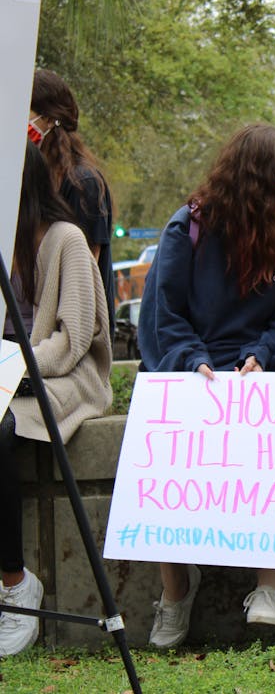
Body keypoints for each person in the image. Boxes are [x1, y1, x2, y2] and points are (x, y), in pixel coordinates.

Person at [138, 124, 275, 647]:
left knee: (270, 454)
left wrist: (264, 355)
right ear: (255, 176)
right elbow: (164, 313)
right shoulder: (189, 228)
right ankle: (175, 592)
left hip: (264, 366)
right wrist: (192, 359)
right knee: (167, 461)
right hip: (188, 365)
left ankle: (270, 586)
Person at [0, 142, 112, 656]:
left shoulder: (65, 238)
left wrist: (15, 366)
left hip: (67, 374)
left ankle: (15, 582)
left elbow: (74, 339)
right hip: (13, 373)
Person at [30, 69, 115, 335]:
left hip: (63, 337)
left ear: (48, 119)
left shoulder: (83, 184)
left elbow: (82, 278)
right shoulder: (30, 177)